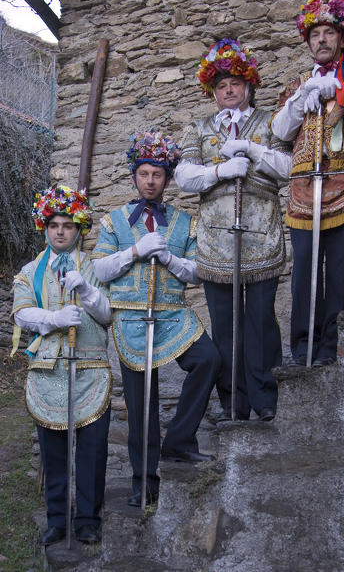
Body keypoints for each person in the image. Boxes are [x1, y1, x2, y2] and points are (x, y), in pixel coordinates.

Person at [92, 130, 220, 507]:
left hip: (173, 314)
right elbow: (99, 270)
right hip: (130, 319)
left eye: (158, 175)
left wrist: (170, 260)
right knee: (141, 403)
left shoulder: (184, 222)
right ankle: (143, 481)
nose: (150, 181)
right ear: (135, 176)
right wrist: (134, 250)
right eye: (144, 174)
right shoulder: (113, 222)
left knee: (210, 361)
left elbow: (198, 272)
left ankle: (179, 441)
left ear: (167, 179)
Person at [270, 0, 344, 367]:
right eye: (314, 34)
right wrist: (301, 97)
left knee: (340, 269)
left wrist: (340, 91)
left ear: (341, 38)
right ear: (308, 43)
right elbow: (280, 128)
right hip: (306, 187)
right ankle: (303, 346)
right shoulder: (297, 84)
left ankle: (332, 348)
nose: (321, 39)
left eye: (328, 33)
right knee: (304, 269)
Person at [175, 39, 292, 422]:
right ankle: (233, 402)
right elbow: (184, 176)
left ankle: (265, 396)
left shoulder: (268, 124)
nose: (228, 90)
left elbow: (287, 167)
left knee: (259, 319)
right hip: (216, 238)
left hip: (261, 233)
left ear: (248, 86)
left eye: (235, 83)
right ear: (213, 91)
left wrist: (254, 153)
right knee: (224, 323)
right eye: (221, 85)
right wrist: (219, 171)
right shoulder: (199, 128)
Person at [11, 186, 112, 546]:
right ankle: (57, 519)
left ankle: (87, 519)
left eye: (68, 225)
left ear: (79, 228)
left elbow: (106, 315)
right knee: (53, 453)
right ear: (45, 227)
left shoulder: (94, 268)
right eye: (54, 224)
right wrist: (54, 318)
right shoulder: (30, 271)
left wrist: (86, 291)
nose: (60, 231)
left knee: (92, 451)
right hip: (48, 372)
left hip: (91, 370)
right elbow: (22, 313)